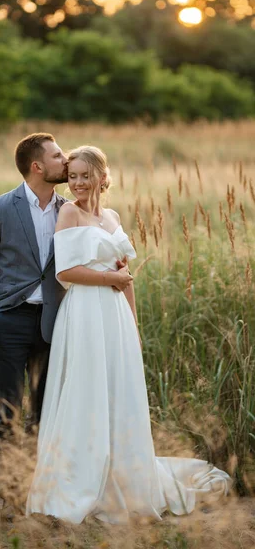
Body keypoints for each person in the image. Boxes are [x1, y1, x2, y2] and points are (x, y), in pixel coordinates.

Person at [26, 146, 232, 524]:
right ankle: (83, 480)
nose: (77, 183)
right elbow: (65, 273)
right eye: (72, 176)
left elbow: (126, 276)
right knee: (86, 392)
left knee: (117, 390)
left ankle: (122, 473)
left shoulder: (113, 217)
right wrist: (111, 279)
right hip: (85, 313)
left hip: (115, 316)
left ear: (103, 177)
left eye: (85, 176)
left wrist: (133, 326)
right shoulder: (68, 213)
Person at [0, 133, 133, 448]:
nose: (65, 160)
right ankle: (7, 491)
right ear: (37, 166)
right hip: (8, 320)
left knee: (47, 412)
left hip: (56, 321)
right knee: (7, 412)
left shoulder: (71, 210)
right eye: (58, 156)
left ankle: (39, 487)